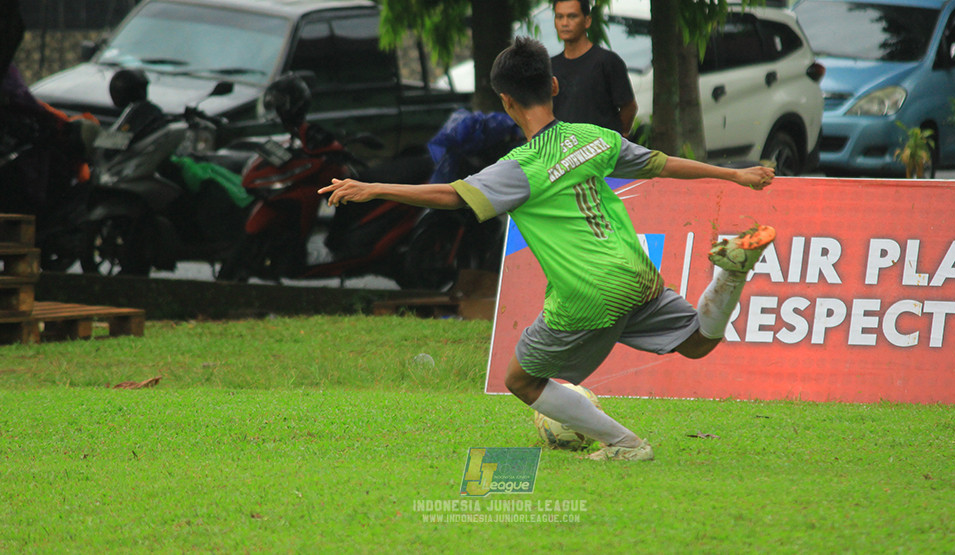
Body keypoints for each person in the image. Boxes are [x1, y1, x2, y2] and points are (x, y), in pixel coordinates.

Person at [318, 37, 775, 462]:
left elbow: (452, 196)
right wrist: (733, 175)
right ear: (554, 85)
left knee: (520, 380)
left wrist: (374, 187)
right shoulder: (594, 137)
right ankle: (730, 273)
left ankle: (624, 443)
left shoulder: (520, 167)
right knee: (697, 342)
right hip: (635, 270)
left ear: (506, 102)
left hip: (586, 291)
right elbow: (661, 164)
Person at [550, 0, 637, 137]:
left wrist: (614, 139)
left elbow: (629, 107)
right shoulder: (549, 66)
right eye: (559, 17)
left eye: (572, 16)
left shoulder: (607, 61)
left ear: (587, 21)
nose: (565, 23)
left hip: (601, 153)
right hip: (561, 153)